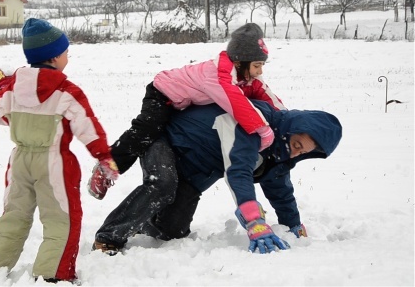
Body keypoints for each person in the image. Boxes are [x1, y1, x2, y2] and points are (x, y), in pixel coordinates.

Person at [91, 100, 342, 255]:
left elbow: (280, 189)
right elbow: (239, 170)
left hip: (194, 171)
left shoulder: (280, 152)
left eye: (302, 152)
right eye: (296, 143)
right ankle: (108, 238)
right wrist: (254, 221)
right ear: (292, 128)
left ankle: (141, 220)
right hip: (166, 140)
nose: (294, 152)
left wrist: (293, 225)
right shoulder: (255, 122)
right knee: (163, 185)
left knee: (172, 231)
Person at [0, 18, 119, 283]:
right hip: (54, 164)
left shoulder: (12, 89)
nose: (68, 56)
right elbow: (86, 125)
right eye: (66, 52)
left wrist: (3, 86)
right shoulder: (67, 91)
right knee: (61, 220)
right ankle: (53, 275)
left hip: (19, 163)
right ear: (54, 57)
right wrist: (103, 155)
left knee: (14, 215)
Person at [88, 23, 286, 200]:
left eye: (262, 65)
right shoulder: (218, 76)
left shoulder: (246, 77)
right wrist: (263, 129)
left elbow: (269, 97)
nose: (260, 71)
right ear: (239, 62)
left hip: (183, 104)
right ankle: (106, 168)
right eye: (257, 65)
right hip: (163, 93)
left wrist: (288, 121)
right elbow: (236, 102)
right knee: (147, 130)